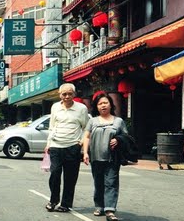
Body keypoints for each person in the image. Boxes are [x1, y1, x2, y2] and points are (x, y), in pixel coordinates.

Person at [44, 83, 90, 213]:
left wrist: (80, 143)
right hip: (56, 146)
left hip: (72, 147)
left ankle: (65, 204)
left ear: (74, 94)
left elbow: (86, 127)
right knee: (55, 174)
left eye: (70, 93)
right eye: (64, 94)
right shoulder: (55, 107)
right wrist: (48, 143)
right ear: (60, 95)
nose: (67, 96)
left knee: (70, 177)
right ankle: (53, 201)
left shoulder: (81, 108)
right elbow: (52, 126)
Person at [83, 92, 128, 221]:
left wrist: (118, 140)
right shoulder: (92, 121)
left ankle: (110, 210)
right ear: (96, 106)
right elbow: (86, 137)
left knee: (111, 183)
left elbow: (126, 137)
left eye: (105, 103)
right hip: (95, 157)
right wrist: (85, 153)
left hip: (113, 158)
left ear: (110, 105)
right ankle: (99, 206)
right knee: (98, 183)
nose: (103, 105)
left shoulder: (118, 121)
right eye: (100, 103)